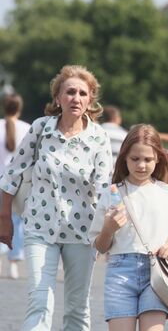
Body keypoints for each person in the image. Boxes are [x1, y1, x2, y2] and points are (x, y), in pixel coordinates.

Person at [0, 65, 112, 331]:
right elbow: (12, 174)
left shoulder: (99, 138)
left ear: (90, 99)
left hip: (82, 233)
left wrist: (104, 233)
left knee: (77, 308)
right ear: (58, 98)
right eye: (70, 92)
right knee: (39, 301)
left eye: (82, 93)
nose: (76, 98)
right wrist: (4, 218)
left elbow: (105, 188)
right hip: (40, 228)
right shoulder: (41, 129)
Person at [89, 124, 168, 331]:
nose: (141, 165)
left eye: (148, 159)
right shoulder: (113, 192)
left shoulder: (167, 193)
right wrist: (109, 228)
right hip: (120, 271)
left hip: (156, 272)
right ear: (125, 158)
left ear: (158, 159)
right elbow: (99, 245)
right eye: (135, 159)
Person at [0, 93, 30, 279]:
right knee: (17, 223)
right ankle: (14, 262)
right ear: (19, 108)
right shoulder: (27, 128)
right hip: (18, 182)